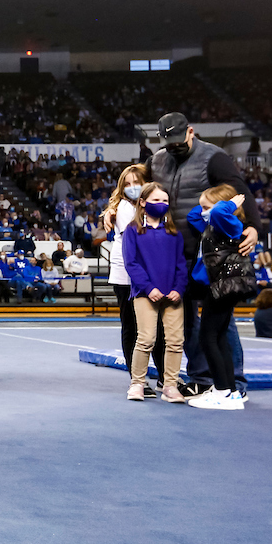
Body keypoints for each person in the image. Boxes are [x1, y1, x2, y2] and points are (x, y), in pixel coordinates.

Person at [146, 112, 262, 400]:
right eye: (168, 143)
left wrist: (255, 228)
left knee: (220, 320)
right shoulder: (157, 160)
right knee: (185, 321)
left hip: (211, 254)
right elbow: (137, 190)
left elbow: (241, 191)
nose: (174, 147)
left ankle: (234, 382)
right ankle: (201, 377)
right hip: (174, 253)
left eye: (178, 141)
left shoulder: (214, 157)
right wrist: (113, 208)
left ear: (191, 132)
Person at [186, 186, 256, 410]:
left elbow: (217, 213)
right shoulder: (212, 224)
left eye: (208, 206)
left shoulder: (229, 223)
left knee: (207, 338)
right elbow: (192, 215)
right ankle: (229, 391)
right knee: (219, 339)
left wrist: (229, 204)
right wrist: (208, 204)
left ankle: (223, 391)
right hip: (218, 287)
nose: (203, 211)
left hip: (223, 286)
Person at [122, 183, 187, 404]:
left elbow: (181, 264)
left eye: (165, 201)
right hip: (145, 293)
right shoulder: (133, 230)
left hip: (173, 295)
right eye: (157, 200)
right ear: (143, 202)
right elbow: (131, 263)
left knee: (176, 341)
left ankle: (170, 385)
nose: (162, 204)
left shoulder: (173, 232)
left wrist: (179, 289)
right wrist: (149, 288)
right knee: (146, 338)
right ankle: (137, 383)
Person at [102, 163, 164, 394]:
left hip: (149, 273)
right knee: (133, 327)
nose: (132, 188)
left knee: (156, 328)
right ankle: (137, 378)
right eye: (127, 184)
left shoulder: (154, 205)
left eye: (137, 183)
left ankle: (164, 377)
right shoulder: (124, 208)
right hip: (126, 275)